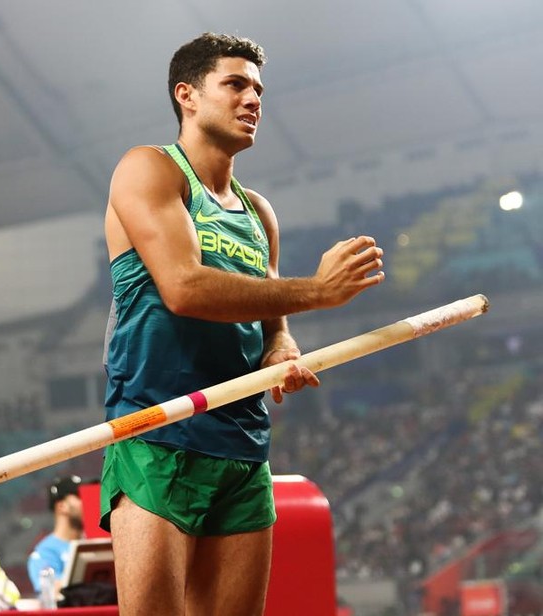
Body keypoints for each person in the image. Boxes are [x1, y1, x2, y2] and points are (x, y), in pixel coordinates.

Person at [101, 32, 385, 615]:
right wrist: (320, 290)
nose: (253, 99)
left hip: (243, 446)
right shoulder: (149, 170)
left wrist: (280, 350)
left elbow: (272, 324)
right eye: (234, 84)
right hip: (158, 434)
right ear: (187, 95)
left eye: (258, 89)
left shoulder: (258, 213)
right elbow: (182, 288)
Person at [26, 475, 84, 595]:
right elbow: (52, 594)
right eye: (80, 496)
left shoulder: (96, 543)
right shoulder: (44, 553)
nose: (88, 500)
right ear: (62, 506)